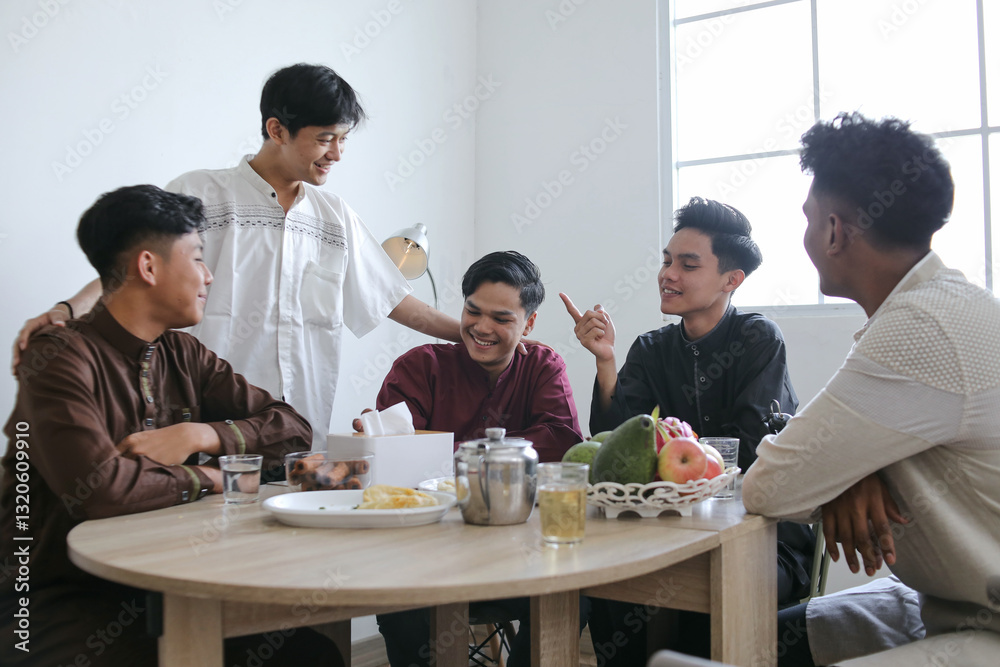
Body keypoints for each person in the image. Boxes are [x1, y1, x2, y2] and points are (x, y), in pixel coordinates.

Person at [12, 63, 462, 450]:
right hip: (206, 429)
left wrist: (477, 333)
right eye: (326, 139)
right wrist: (66, 310)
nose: (337, 154)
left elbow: (394, 300)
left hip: (299, 433)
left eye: (343, 140)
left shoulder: (334, 218)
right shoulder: (201, 194)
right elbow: (130, 269)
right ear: (276, 130)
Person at [0, 185, 342, 666]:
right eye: (198, 257)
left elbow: (291, 426)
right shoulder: (58, 359)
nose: (208, 275)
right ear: (148, 266)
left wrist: (200, 435)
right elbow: (101, 491)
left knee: (310, 656)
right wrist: (211, 477)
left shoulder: (182, 353)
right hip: (59, 592)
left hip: (172, 575)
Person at [743, 112, 1000, 666]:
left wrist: (835, 473)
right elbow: (804, 466)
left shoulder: (922, 328)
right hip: (944, 601)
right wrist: (850, 473)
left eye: (809, 219)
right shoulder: (941, 304)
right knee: (771, 640)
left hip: (987, 623)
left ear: (834, 231)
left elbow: (768, 485)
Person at [562, 197, 814, 663]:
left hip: (762, 538)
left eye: (687, 264)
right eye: (666, 260)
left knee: (707, 597)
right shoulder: (652, 347)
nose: (668, 274)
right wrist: (606, 362)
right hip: (669, 533)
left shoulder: (758, 339)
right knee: (607, 588)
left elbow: (748, 454)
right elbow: (616, 453)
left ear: (730, 280)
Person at [369, 250, 586, 667]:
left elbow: (562, 441)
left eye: (502, 319)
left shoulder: (542, 367)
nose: (482, 328)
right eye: (473, 311)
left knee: (578, 591)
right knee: (398, 599)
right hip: (429, 552)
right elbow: (396, 455)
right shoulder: (420, 367)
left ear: (530, 323)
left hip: (524, 549)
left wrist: (451, 456)